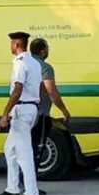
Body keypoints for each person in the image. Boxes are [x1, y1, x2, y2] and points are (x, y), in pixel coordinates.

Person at [0, 31, 43, 195]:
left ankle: (32, 194)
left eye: (11, 43)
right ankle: (12, 188)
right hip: (30, 108)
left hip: (21, 109)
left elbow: (17, 90)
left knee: (24, 154)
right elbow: (40, 88)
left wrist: (5, 113)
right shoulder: (34, 63)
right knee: (10, 149)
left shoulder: (20, 63)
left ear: (16, 45)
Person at [29, 38, 72, 186]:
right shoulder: (45, 67)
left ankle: (23, 184)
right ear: (42, 51)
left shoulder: (24, 65)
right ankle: (31, 186)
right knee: (37, 149)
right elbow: (51, 91)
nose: (48, 51)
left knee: (26, 150)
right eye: (47, 48)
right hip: (40, 115)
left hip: (25, 114)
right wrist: (64, 110)